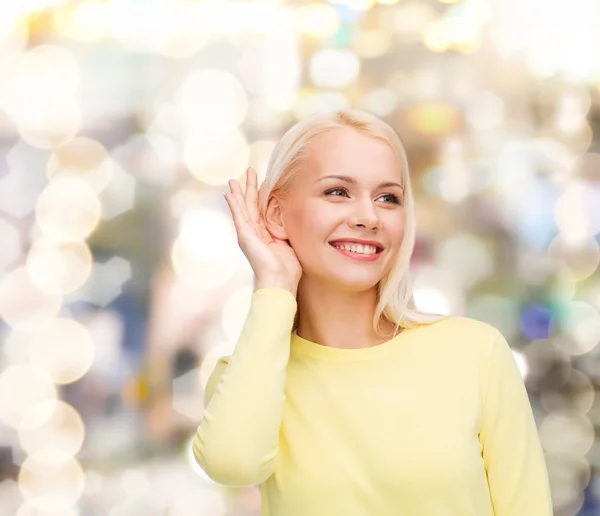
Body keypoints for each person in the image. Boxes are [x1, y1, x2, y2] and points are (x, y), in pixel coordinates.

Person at [192, 109, 554, 515]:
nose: (368, 217)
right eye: (337, 192)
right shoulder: (248, 375)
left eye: (388, 198)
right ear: (276, 213)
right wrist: (274, 283)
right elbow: (231, 463)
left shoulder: (475, 353)